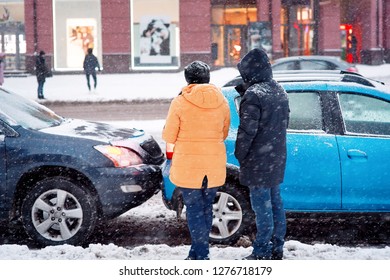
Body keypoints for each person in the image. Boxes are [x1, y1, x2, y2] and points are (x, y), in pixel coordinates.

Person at [162, 61, 230, 260]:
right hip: (213, 164)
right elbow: (224, 133)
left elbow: (169, 136)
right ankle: (198, 251)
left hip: (188, 165)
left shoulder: (180, 102)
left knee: (193, 209)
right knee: (207, 207)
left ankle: (201, 254)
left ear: (188, 79)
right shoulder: (222, 100)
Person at [234, 48, 290, 260]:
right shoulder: (279, 91)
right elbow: (282, 123)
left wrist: (241, 155)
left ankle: (261, 251)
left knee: (262, 207)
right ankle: (277, 247)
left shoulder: (254, 95)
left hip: (258, 161)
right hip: (276, 157)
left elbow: (247, 131)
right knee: (276, 203)